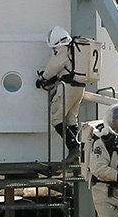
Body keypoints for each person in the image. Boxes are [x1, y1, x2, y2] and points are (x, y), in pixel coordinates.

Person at [36, 26, 84, 164]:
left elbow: (53, 66)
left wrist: (43, 78)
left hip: (67, 87)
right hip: (80, 86)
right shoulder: (76, 49)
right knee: (71, 119)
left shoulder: (63, 50)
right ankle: (78, 152)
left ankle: (74, 148)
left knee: (56, 117)